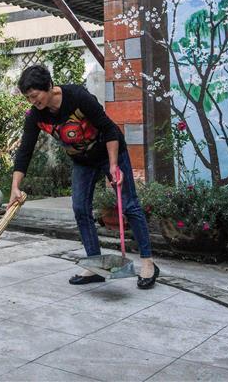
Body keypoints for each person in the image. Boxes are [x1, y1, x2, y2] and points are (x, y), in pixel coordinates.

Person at [9, 65, 159, 289]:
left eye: (35, 95)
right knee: (80, 207)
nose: (33, 101)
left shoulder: (77, 97)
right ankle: (95, 263)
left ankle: (148, 262)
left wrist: (114, 166)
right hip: (82, 160)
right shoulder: (35, 116)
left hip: (110, 150)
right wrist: (15, 187)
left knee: (129, 205)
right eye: (29, 98)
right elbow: (25, 151)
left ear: (49, 86)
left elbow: (108, 129)